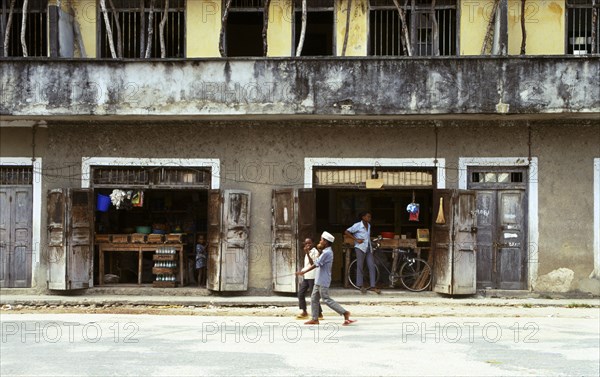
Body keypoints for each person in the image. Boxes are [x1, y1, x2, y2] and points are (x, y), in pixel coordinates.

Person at [295, 231, 356, 326]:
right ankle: (315, 319)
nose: (320, 241)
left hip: (323, 280)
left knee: (326, 299)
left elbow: (316, 264)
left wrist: (304, 272)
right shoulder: (325, 251)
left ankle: (345, 313)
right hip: (319, 279)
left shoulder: (327, 253)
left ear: (326, 242)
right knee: (314, 298)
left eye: (321, 240)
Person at [345, 211, 381, 294]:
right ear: (363, 217)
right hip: (360, 248)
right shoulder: (357, 225)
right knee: (360, 266)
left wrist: (372, 242)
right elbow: (347, 231)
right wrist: (356, 239)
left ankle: (372, 286)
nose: (369, 218)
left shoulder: (369, 225)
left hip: (368, 247)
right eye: (368, 217)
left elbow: (367, 237)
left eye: (370, 217)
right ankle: (360, 285)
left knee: (371, 266)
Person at [295, 238, 323, 320]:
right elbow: (307, 265)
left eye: (309, 243)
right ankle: (304, 312)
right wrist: (302, 271)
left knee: (313, 295)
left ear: (313, 243)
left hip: (313, 277)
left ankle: (319, 313)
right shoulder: (308, 252)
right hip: (307, 276)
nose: (308, 245)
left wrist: (307, 253)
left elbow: (312, 264)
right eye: (306, 243)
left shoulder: (315, 252)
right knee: (300, 293)